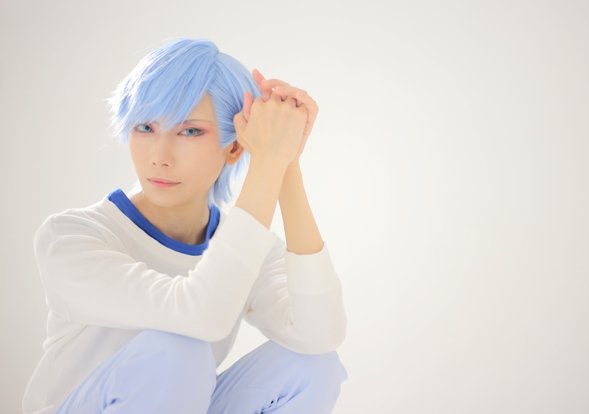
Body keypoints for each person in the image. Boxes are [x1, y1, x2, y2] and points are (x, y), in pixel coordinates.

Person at [22, 37, 348, 414]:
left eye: (189, 131)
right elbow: (198, 314)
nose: (159, 157)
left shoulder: (247, 246)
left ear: (235, 146)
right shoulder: (70, 238)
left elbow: (320, 335)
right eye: (145, 127)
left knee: (312, 366)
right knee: (180, 347)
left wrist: (283, 161)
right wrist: (267, 162)